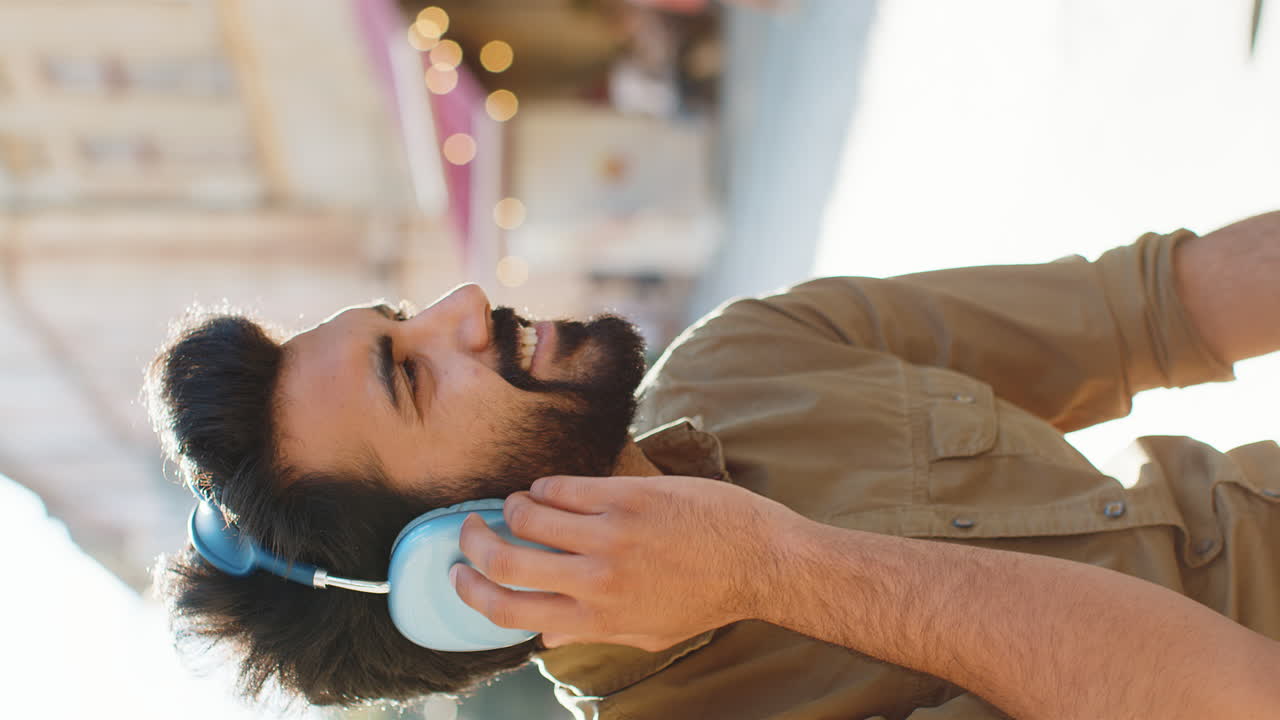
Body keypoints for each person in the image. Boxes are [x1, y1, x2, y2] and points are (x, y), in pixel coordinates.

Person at [146, 211, 1280, 718]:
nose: (465, 304)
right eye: (411, 374)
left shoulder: (747, 355)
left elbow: (1160, 306)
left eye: (400, 313)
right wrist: (778, 571)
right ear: (454, 574)